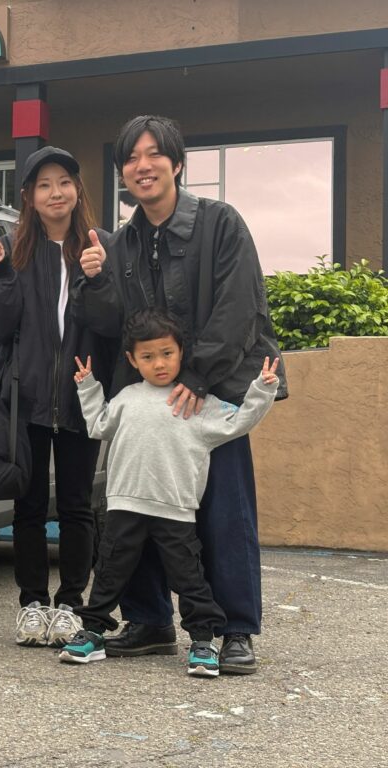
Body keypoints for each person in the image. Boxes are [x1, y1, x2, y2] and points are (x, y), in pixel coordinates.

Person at [75, 115, 288, 674]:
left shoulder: (220, 223)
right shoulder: (120, 243)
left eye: (153, 155)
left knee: (224, 514)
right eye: (131, 158)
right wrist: (94, 280)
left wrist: (197, 375)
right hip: (149, 403)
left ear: (177, 163)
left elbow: (239, 307)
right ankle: (148, 621)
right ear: (123, 172)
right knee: (135, 508)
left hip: (212, 394)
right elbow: (111, 323)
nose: (142, 166)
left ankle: (236, 628)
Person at [58, 308, 279, 677]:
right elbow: (98, 425)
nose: (159, 364)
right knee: (110, 571)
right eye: (147, 356)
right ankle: (91, 633)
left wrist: (262, 390)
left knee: (189, 577)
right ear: (132, 359)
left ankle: (203, 642)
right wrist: (88, 387)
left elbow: (239, 422)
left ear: (182, 353)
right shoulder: (127, 397)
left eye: (167, 354)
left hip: (176, 511)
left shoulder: (197, 403)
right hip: (124, 507)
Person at [0, 146, 113, 647]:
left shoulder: (102, 246)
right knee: (28, 508)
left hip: (82, 395)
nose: (56, 193)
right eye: (44, 185)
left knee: (76, 506)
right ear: (29, 197)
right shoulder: (10, 248)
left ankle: (72, 602)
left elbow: (114, 322)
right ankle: (32, 602)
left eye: (64, 182)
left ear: (78, 191)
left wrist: (99, 279)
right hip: (24, 398)